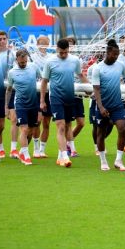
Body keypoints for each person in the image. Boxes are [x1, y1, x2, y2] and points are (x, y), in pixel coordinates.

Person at [91, 39, 125, 171]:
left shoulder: (120, 65)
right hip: (103, 105)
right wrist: (101, 107)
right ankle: (103, 160)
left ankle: (118, 160)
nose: (115, 57)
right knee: (100, 133)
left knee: (122, 129)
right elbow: (96, 89)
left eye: (117, 55)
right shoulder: (98, 68)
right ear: (107, 52)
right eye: (113, 54)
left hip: (117, 105)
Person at [40, 38, 88, 168]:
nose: (63, 55)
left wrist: (89, 88)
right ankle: (65, 156)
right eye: (61, 52)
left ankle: (60, 156)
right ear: (57, 49)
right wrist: (42, 100)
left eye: (66, 52)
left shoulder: (74, 60)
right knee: (60, 126)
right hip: (56, 97)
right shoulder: (50, 62)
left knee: (67, 126)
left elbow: (81, 75)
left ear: (69, 50)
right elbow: (44, 81)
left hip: (69, 97)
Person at [5, 49, 41, 166]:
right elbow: (9, 89)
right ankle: (26, 156)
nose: (23, 64)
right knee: (24, 129)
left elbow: (43, 80)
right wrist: (6, 106)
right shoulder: (12, 72)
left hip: (33, 103)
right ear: (16, 60)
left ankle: (22, 151)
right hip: (20, 104)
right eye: (21, 62)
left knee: (30, 131)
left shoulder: (33, 67)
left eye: (25, 62)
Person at [0, 30, 17, 159]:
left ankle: (13, 149)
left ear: (7, 39)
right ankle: (0, 148)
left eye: (4, 38)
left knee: (14, 119)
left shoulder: (12, 54)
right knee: (0, 123)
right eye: (0, 39)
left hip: (11, 89)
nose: (2, 41)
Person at [65, 36, 85, 157]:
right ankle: (72, 149)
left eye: (71, 44)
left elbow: (81, 75)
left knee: (81, 123)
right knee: (68, 123)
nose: (70, 46)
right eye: (68, 44)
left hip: (77, 93)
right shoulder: (59, 60)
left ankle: (67, 142)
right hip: (67, 93)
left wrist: (87, 88)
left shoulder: (78, 60)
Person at [33, 35, 52, 158]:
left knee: (46, 122)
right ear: (37, 44)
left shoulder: (51, 58)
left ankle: (42, 149)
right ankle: (35, 148)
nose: (43, 45)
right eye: (41, 43)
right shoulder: (33, 58)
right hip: (36, 91)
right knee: (37, 121)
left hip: (49, 91)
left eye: (46, 43)